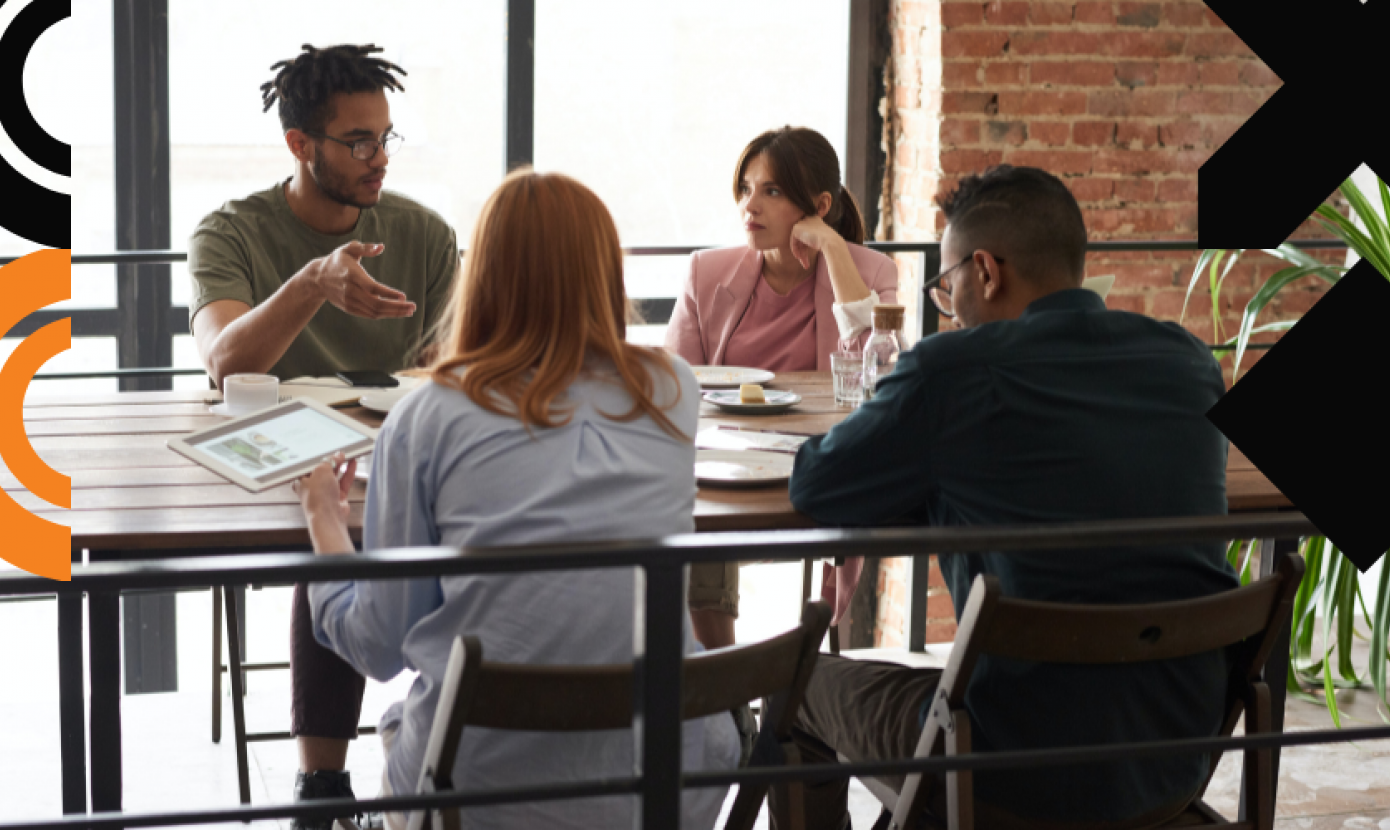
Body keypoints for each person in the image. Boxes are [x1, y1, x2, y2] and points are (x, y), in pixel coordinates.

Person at [780, 165, 1240, 828]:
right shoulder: (1188, 361)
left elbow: (817, 487)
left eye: (946, 285)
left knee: (798, 685)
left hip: (1009, 759)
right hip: (1175, 749)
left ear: (986, 271)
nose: (950, 304)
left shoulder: (955, 369)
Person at [293, 170, 740, 830]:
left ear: (484, 273)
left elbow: (379, 648)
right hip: (666, 784)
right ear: (602, 269)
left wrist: (323, 520)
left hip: (478, 790)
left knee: (400, 718)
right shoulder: (670, 387)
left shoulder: (429, 415)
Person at [186, 44, 459, 827]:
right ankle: (324, 784)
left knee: (372, 524)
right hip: (276, 459)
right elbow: (223, 362)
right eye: (358, 141)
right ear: (300, 146)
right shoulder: (231, 233)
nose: (378, 158)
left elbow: (447, 376)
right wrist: (313, 282)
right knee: (327, 526)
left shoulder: (425, 235)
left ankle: (442, 737)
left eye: (385, 137)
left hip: (395, 456)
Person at [665, 126, 898, 650]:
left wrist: (836, 251)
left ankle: (773, 692)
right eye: (746, 188)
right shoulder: (707, 271)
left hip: (818, 467)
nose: (751, 205)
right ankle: (727, 693)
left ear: (817, 205)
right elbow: (675, 386)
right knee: (698, 516)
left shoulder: (871, 271)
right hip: (727, 469)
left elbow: (879, 375)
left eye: (771, 191)